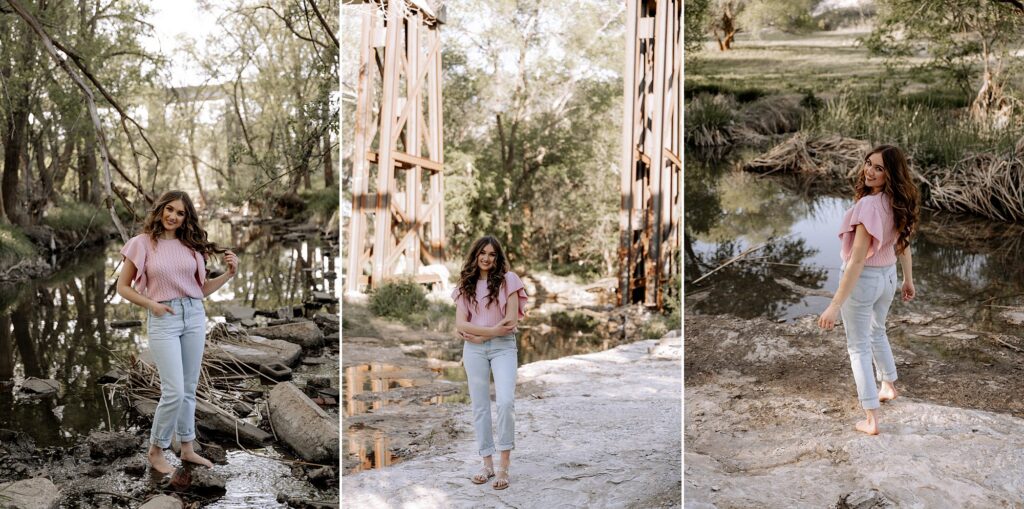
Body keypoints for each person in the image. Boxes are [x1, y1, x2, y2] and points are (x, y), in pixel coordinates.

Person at [116, 190, 239, 473]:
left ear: (187, 218)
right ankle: (156, 451)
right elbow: (122, 287)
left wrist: (228, 274)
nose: (173, 216)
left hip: (194, 316)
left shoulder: (191, 246)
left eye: (180, 213)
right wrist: (151, 305)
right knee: (173, 391)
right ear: (160, 210)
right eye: (169, 209)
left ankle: (187, 449)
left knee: (188, 390)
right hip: (164, 319)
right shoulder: (141, 244)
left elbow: (200, 290)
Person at [818, 145, 919, 435]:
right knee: (877, 331)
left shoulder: (868, 207)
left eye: (879, 168)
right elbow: (903, 244)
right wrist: (907, 278)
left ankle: (871, 418)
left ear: (891, 174)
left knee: (858, 346)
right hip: (887, 278)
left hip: (863, 282)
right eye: (868, 164)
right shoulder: (898, 201)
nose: (869, 171)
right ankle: (888, 385)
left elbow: (858, 259)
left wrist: (835, 304)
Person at [452, 235, 528, 490]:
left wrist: (485, 332)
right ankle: (487, 464)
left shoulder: (510, 280)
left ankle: (504, 467)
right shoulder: (466, 284)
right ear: (475, 255)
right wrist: (486, 332)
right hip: (473, 350)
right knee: (480, 407)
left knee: (506, 402)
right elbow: (460, 324)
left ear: (498, 258)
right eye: (482, 253)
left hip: (503, 348)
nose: (486, 258)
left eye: (492, 254)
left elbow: (511, 322)